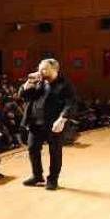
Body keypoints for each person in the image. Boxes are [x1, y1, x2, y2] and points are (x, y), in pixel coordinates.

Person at [19, 59, 75, 191]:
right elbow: (22, 95)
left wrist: (62, 118)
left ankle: (53, 179)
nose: (40, 71)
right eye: (39, 68)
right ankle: (37, 176)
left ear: (54, 69)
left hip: (53, 124)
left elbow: (70, 103)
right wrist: (29, 82)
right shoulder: (38, 81)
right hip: (35, 123)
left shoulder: (65, 84)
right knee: (32, 148)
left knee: (55, 152)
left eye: (44, 69)